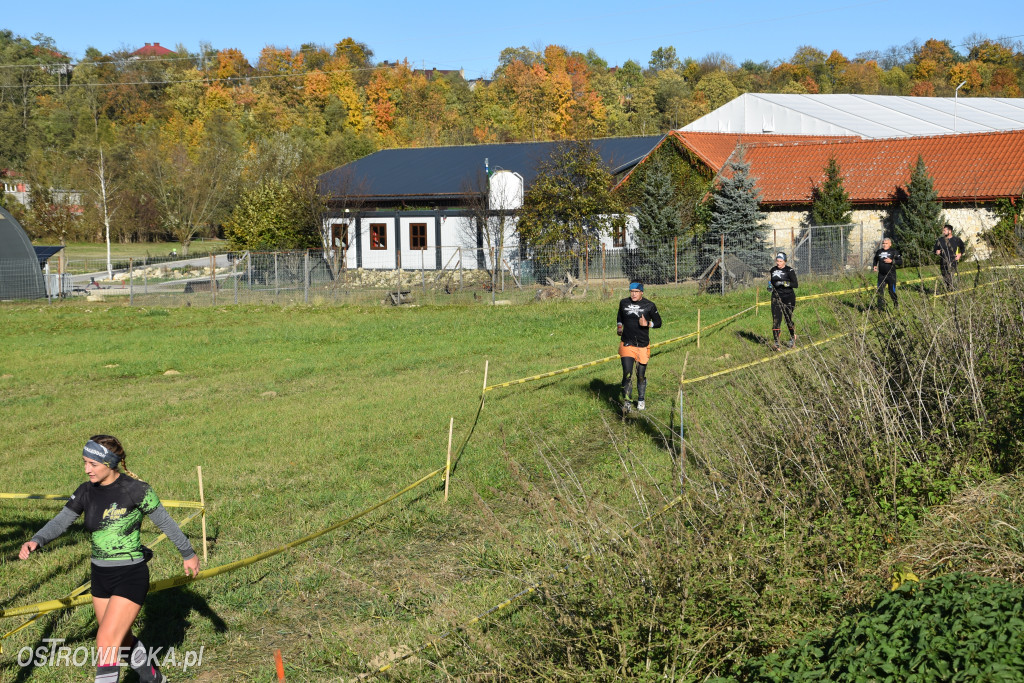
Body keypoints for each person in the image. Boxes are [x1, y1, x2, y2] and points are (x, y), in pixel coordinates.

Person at [20, 435, 200, 683]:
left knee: (105, 642)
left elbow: (166, 523)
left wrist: (188, 553)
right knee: (120, 638)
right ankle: (153, 678)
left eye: (92, 464)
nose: (86, 469)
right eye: (84, 462)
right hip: (100, 576)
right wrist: (37, 539)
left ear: (110, 462)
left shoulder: (137, 490)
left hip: (130, 574)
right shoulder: (85, 491)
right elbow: (62, 521)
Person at [616, 282, 662, 411]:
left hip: (642, 344)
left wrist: (647, 323)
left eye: (636, 291)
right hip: (627, 343)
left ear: (642, 292)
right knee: (627, 373)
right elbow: (620, 315)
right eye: (631, 291)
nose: (633, 294)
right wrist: (620, 326)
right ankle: (628, 401)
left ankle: (641, 399)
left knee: (640, 375)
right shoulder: (623, 303)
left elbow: (659, 323)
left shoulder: (649, 305)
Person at [768, 252, 798, 350]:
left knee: (788, 319)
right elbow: (771, 281)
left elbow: (795, 284)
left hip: (788, 297)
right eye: (777, 261)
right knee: (776, 320)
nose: (778, 263)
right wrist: (769, 285)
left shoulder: (790, 270)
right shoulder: (773, 270)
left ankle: (793, 338)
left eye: (780, 261)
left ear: (785, 261)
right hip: (776, 297)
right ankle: (776, 344)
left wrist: (784, 283)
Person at [872, 236, 903, 309]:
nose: (884, 245)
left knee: (891, 291)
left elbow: (900, 261)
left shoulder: (894, 252)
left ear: (890, 244)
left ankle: (896, 304)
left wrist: (892, 261)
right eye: (883, 243)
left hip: (891, 275)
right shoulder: (879, 251)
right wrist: (874, 265)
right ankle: (880, 308)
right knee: (880, 292)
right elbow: (875, 259)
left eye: (886, 243)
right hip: (881, 275)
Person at [934, 224, 965, 290]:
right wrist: (937, 251)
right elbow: (935, 249)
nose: (943, 232)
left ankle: (952, 290)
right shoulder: (940, 240)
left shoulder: (956, 240)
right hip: (943, 262)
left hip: (953, 261)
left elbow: (962, 247)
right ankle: (949, 291)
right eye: (943, 230)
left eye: (945, 230)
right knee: (945, 278)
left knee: (950, 276)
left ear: (950, 231)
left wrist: (960, 254)